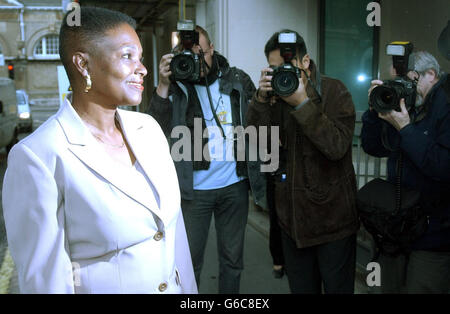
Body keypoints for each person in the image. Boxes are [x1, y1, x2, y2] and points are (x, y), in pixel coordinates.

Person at [2, 7, 197, 294]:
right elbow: (46, 282)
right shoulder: (39, 156)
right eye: (127, 56)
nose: (142, 69)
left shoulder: (149, 129)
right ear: (83, 64)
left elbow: (173, 234)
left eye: (140, 58)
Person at [148, 25, 266, 294]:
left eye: (199, 52)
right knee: (189, 264)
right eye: (186, 53)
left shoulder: (236, 79)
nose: (195, 60)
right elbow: (154, 129)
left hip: (234, 187)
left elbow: (258, 120)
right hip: (193, 191)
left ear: (211, 49)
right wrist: (164, 84)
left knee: (232, 261)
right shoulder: (177, 85)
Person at [246, 30, 359, 294]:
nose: (283, 74)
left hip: (334, 222)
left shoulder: (334, 91)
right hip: (292, 221)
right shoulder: (273, 96)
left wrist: (302, 104)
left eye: (288, 66)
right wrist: (261, 100)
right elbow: (258, 138)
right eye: (275, 69)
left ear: (305, 62)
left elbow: (337, 146)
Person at [361, 51, 450, 293]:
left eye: (409, 81)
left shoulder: (445, 105)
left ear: (430, 75)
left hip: (433, 233)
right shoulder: (406, 106)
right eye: (396, 82)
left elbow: (443, 165)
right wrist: (374, 111)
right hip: (395, 224)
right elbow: (373, 147)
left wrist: (406, 128)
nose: (402, 88)